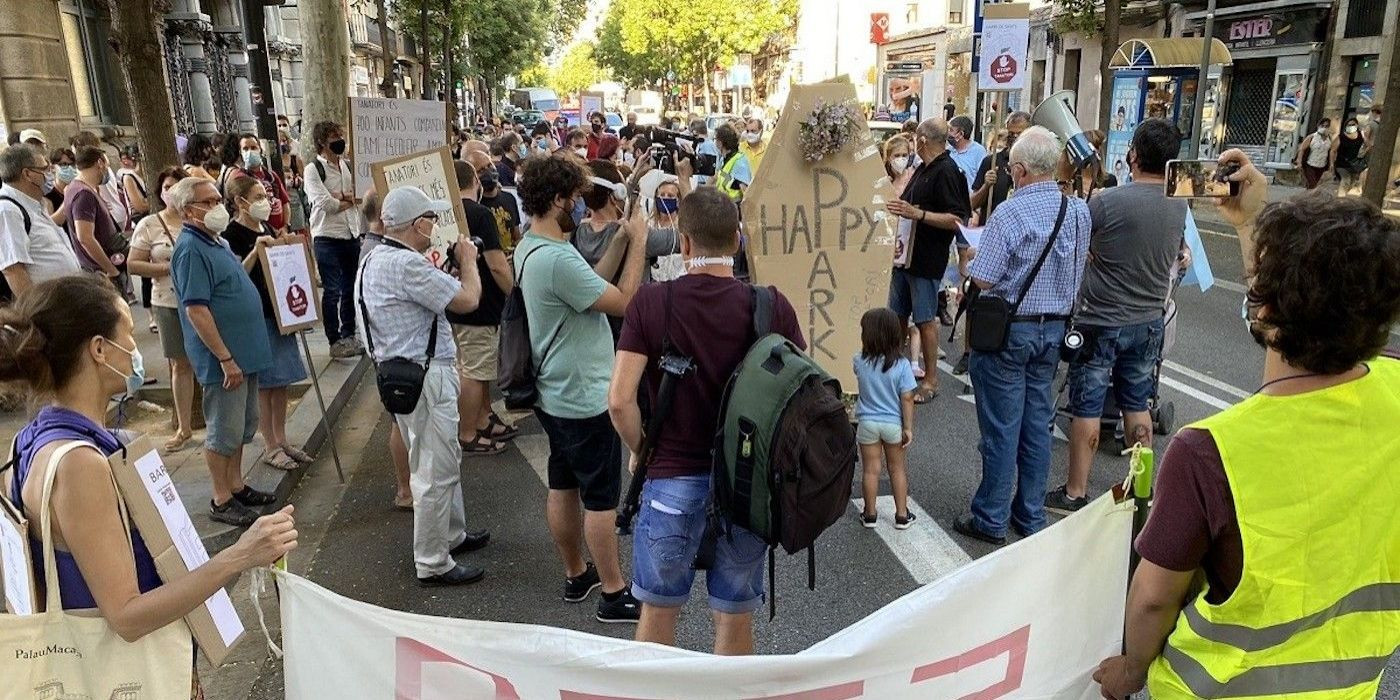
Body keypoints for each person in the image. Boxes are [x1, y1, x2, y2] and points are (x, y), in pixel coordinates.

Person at [1092, 150, 1400, 700]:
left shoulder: (1209, 452)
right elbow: (1307, 301)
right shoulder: (1394, 387)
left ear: (1263, 308)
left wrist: (1132, 669)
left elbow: (1153, 598)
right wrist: (1253, 222)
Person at [0, 276, 296, 697]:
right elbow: (127, 616)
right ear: (99, 349)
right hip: (120, 676)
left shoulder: (30, 439)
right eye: (130, 338)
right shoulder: (80, 465)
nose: (137, 352)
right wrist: (241, 555)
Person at [609, 186, 804, 653]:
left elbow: (619, 400)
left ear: (685, 242)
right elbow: (795, 395)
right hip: (744, 485)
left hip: (671, 479)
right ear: (737, 241)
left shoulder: (653, 303)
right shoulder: (770, 305)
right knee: (734, 617)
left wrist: (642, 451)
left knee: (659, 612)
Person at [514, 154, 648, 623]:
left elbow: (592, 283)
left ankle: (577, 573)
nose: (579, 206)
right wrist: (639, 246)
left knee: (563, 483)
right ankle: (614, 591)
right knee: (601, 498)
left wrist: (620, 239)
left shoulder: (533, 246)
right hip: (584, 396)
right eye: (572, 198)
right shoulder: (555, 258)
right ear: (556, 200)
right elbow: (624, 302)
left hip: (555, 391)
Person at [953, 126, 1091, 546]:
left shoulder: (1010, 213)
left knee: (1001, 427)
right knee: (1037, 426)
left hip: (1010, 333)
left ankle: (991, 516)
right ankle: (1030, 515)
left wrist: (967, 264)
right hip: (1054, 332)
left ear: (1018, 169)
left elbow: (986, 281)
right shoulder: (1078, 212)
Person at [1046, 119, 1188, 514]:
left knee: (1087, 406)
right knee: (1137, 404)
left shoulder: (1108, 201)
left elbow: (1073, 239)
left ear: (1133, 155)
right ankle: (1140, 490)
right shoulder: (1179, 203)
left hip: (1101, 318)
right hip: (1148, 319)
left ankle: (1075, 492)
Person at [357, 186, 491, 586]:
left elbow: (427, 299)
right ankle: (433, 560)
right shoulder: (406, 265)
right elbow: (468, 299)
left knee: (431, 457)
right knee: (437, 468)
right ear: (417, 224)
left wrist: (447, 271)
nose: (435, 226)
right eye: (431, 219)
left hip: (401, 374)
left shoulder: (375, 258)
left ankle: (451, 535)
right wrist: (468, 262)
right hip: (425, 374)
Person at [167, 176, 278, 527]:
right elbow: (196, 309)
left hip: (245, 353)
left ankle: (236, 484)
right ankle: (221, 497)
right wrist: (225, 358)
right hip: (224, 360)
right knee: (223, 429)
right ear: (188, 211)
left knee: (243, 425)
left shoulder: (214, 240)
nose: (218, 207)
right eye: (209, 202)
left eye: (218, 199)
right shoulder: (190, 248)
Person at [222, 175, 311, 472]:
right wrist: (255, 251)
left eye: (265, 195)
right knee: (265, 383)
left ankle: (282, 438)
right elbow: (235, 276)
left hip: (280, 313)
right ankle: (269, 444)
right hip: (255, 315)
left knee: (282, 379)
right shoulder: (230, 235)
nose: (265, 202)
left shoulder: (269, 226)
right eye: (258, 196)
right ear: (240, 202)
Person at [885, 118, 971, 402]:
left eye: (913, 141)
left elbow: (958, 218)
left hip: (925, 259)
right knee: (897, 316)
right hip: (903, 257)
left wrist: (919, 215)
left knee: (924, 320)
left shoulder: (947, 171)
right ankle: (897, 372)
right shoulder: (923, 168)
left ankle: (931, 380)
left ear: (922, 140)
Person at [446, 161, 516, 455]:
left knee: (476, 366)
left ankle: (483, 417)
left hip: (454, 301)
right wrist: (515, 294)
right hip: (481, 304)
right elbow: (497, 265)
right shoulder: (480, 213)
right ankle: (468, 432)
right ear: (474, 179)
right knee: (474, 370)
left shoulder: (447, 213)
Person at [128, 167, 196, 453]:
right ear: (159, 192)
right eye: (167, 186)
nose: (172, 191)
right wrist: (165, 268)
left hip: (201, 300)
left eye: (178, 185)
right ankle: (184, 427)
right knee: (179, 364)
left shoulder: (198, 219)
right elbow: (133, 264)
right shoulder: (149, 225)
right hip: (167, 301)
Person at [358, 189, 413, 511]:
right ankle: (406, 489)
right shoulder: (377, 252)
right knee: (401, 422)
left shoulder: (378, 248)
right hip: (395, 353)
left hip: (392, 351)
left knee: (401, 421)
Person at [571, 159, 682, 297]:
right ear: (617, 194)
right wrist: (685, 182)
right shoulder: (635, 235)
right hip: (631, 314)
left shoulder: (576, 233)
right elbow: (686, 239)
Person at [852, 307, 917, 529]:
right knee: (897, 469)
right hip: (893, 424)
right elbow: (907, 398)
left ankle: (870, 514)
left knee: (871, 470)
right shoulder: (902, 365)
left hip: (867, 422)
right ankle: (901, 515)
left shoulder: (859, 361)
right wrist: (908, 428)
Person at [304, 121, 363, 360]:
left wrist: (343, 197)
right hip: (327, 237)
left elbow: (359, 195)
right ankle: (334, 338)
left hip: (351, 234)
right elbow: (326, 205)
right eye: (334, 138)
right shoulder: (313, 170)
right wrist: (351, 199)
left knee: (350, 287)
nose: (340, 141)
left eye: (341, 136)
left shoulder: (347, 166)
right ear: (321, 143)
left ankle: (349, 333)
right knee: (332, 290)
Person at [0, 145, 80, 296]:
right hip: (48, 310)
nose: (51, 174)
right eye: (45, 169)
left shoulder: (33, 203)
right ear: (28, 174)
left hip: (66, 303)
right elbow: (13, 271)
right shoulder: (8, 210)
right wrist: (37, 313)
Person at [62, 146, 125, 282]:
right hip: (100, 272)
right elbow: (85, 238)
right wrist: (111, 270)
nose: (107, 171)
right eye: (107, 165)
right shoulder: (84, 194)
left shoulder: (75, 188)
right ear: (99, 163)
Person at [970, 111, 1031, 224]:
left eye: (1019, 134)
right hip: (993, 228)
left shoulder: (1035, 165)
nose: (1015, 138)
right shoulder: (991, 162)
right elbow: (972, 204)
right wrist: (986, 186)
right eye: (1011, 134)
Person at [236, 134, 292, 233]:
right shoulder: (241, 178)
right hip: (260, 232)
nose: (250, 152)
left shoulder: (272, 176)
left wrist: (285, 226)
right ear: (240, 153)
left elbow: (284, 202)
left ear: (260, 150)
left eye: (253, 148)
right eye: (245, 149)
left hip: (281, 232)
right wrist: (269, 230)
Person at [478, 156, 522, 253]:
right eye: (481, 170)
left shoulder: (509, 198)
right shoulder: (477, 208)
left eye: (489, 165)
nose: (488, 171)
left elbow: (516, 235)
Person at [647, 179, 684, 281]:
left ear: (678, 200)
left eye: (670, 196)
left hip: (679, 283)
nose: (665, 198)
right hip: (655, 282)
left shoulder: (684, 226)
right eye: (662, 195)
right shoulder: (649, 225)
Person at [712, 125, 752, 204]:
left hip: (734, 208)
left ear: (720, 142)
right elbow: (717, 179)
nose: (715, 142)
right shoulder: (724, 159)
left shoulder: (740, 162)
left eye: (716, 139)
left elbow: (745, 192)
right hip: (723, 207)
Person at [947, 115, 987, 193]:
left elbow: (982, 179)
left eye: (951, 130)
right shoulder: (948, 150)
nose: (948, 133)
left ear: (961, 134)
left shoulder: (978, 151)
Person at [1296, 118, 1336, 190]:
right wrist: (1299, 162)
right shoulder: (1312, 137)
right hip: (1310, 165)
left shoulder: (1330, 138)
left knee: (1317, 184)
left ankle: (1309, 197)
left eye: (1327, 126)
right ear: (1318, 126)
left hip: (1322, 166)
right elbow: (1302, 149)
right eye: (1322, 126)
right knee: (1312, 185)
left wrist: (1331, 164)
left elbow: (1332, 151)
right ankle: (1309, 199)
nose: (1324, 128)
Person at [1335, 116, 1367, 196]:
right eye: (1349, 125)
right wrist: (1332, 163)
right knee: (1346, 180)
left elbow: (1368, 144)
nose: (1351, 126)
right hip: (1342, 163)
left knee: (1352, 182)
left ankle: (1343, 195)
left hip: (1354, 164)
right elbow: (1333, 150)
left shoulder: (1360, 135)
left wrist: (1364, 152)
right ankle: (1340, 199)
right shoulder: (1341, 137)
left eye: (1353, 124)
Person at [117, 146, 150, 224]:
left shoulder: (151, 176)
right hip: (142, 224)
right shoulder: (129, 177)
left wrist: (146, 201)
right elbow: (139, 207)